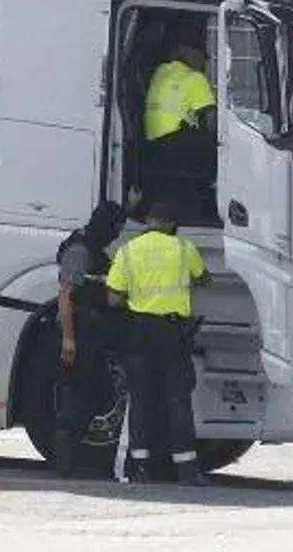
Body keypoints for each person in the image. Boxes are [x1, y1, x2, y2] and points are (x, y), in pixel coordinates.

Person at [106, 202, 210, 486]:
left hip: (139, 331)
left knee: (140, 400)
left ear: (148, 222)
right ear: (171, 224)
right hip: (173, 333)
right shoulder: (183, 248)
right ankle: (186, 470)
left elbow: (113, 298)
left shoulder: (128, 251)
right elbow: (203, 279)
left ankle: (139, 467)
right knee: (177, 399)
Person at [53, 200, 127, 477]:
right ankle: (65, 458)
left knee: (96, 392)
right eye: (116, 227)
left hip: (91, 330)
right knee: (81, 393)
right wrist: (69, 339)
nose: (117, 234)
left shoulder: (92, 248)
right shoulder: (80, 251)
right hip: (79, 332)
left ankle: (69, 455)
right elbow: (66, 294)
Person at [142, 26, 218, 220]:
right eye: (202, 53)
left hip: (153, 145)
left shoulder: (161, 71)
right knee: (223, 149)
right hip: (177, 148)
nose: (205, 59)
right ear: (185, 51)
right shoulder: (195, 78)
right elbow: (212, 121)